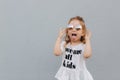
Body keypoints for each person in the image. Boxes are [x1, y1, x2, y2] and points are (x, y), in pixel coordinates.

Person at [54, 16, 94, 80]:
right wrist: (59, 38)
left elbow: (87, 55)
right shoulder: (65, 44)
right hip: (66, 75)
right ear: (67, 31)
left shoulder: (83, 46)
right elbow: (56, 53)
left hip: (78, 76)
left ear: (83, 33)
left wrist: (87, 40)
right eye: (70, 28)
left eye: (78, 29)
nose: (74, 30)